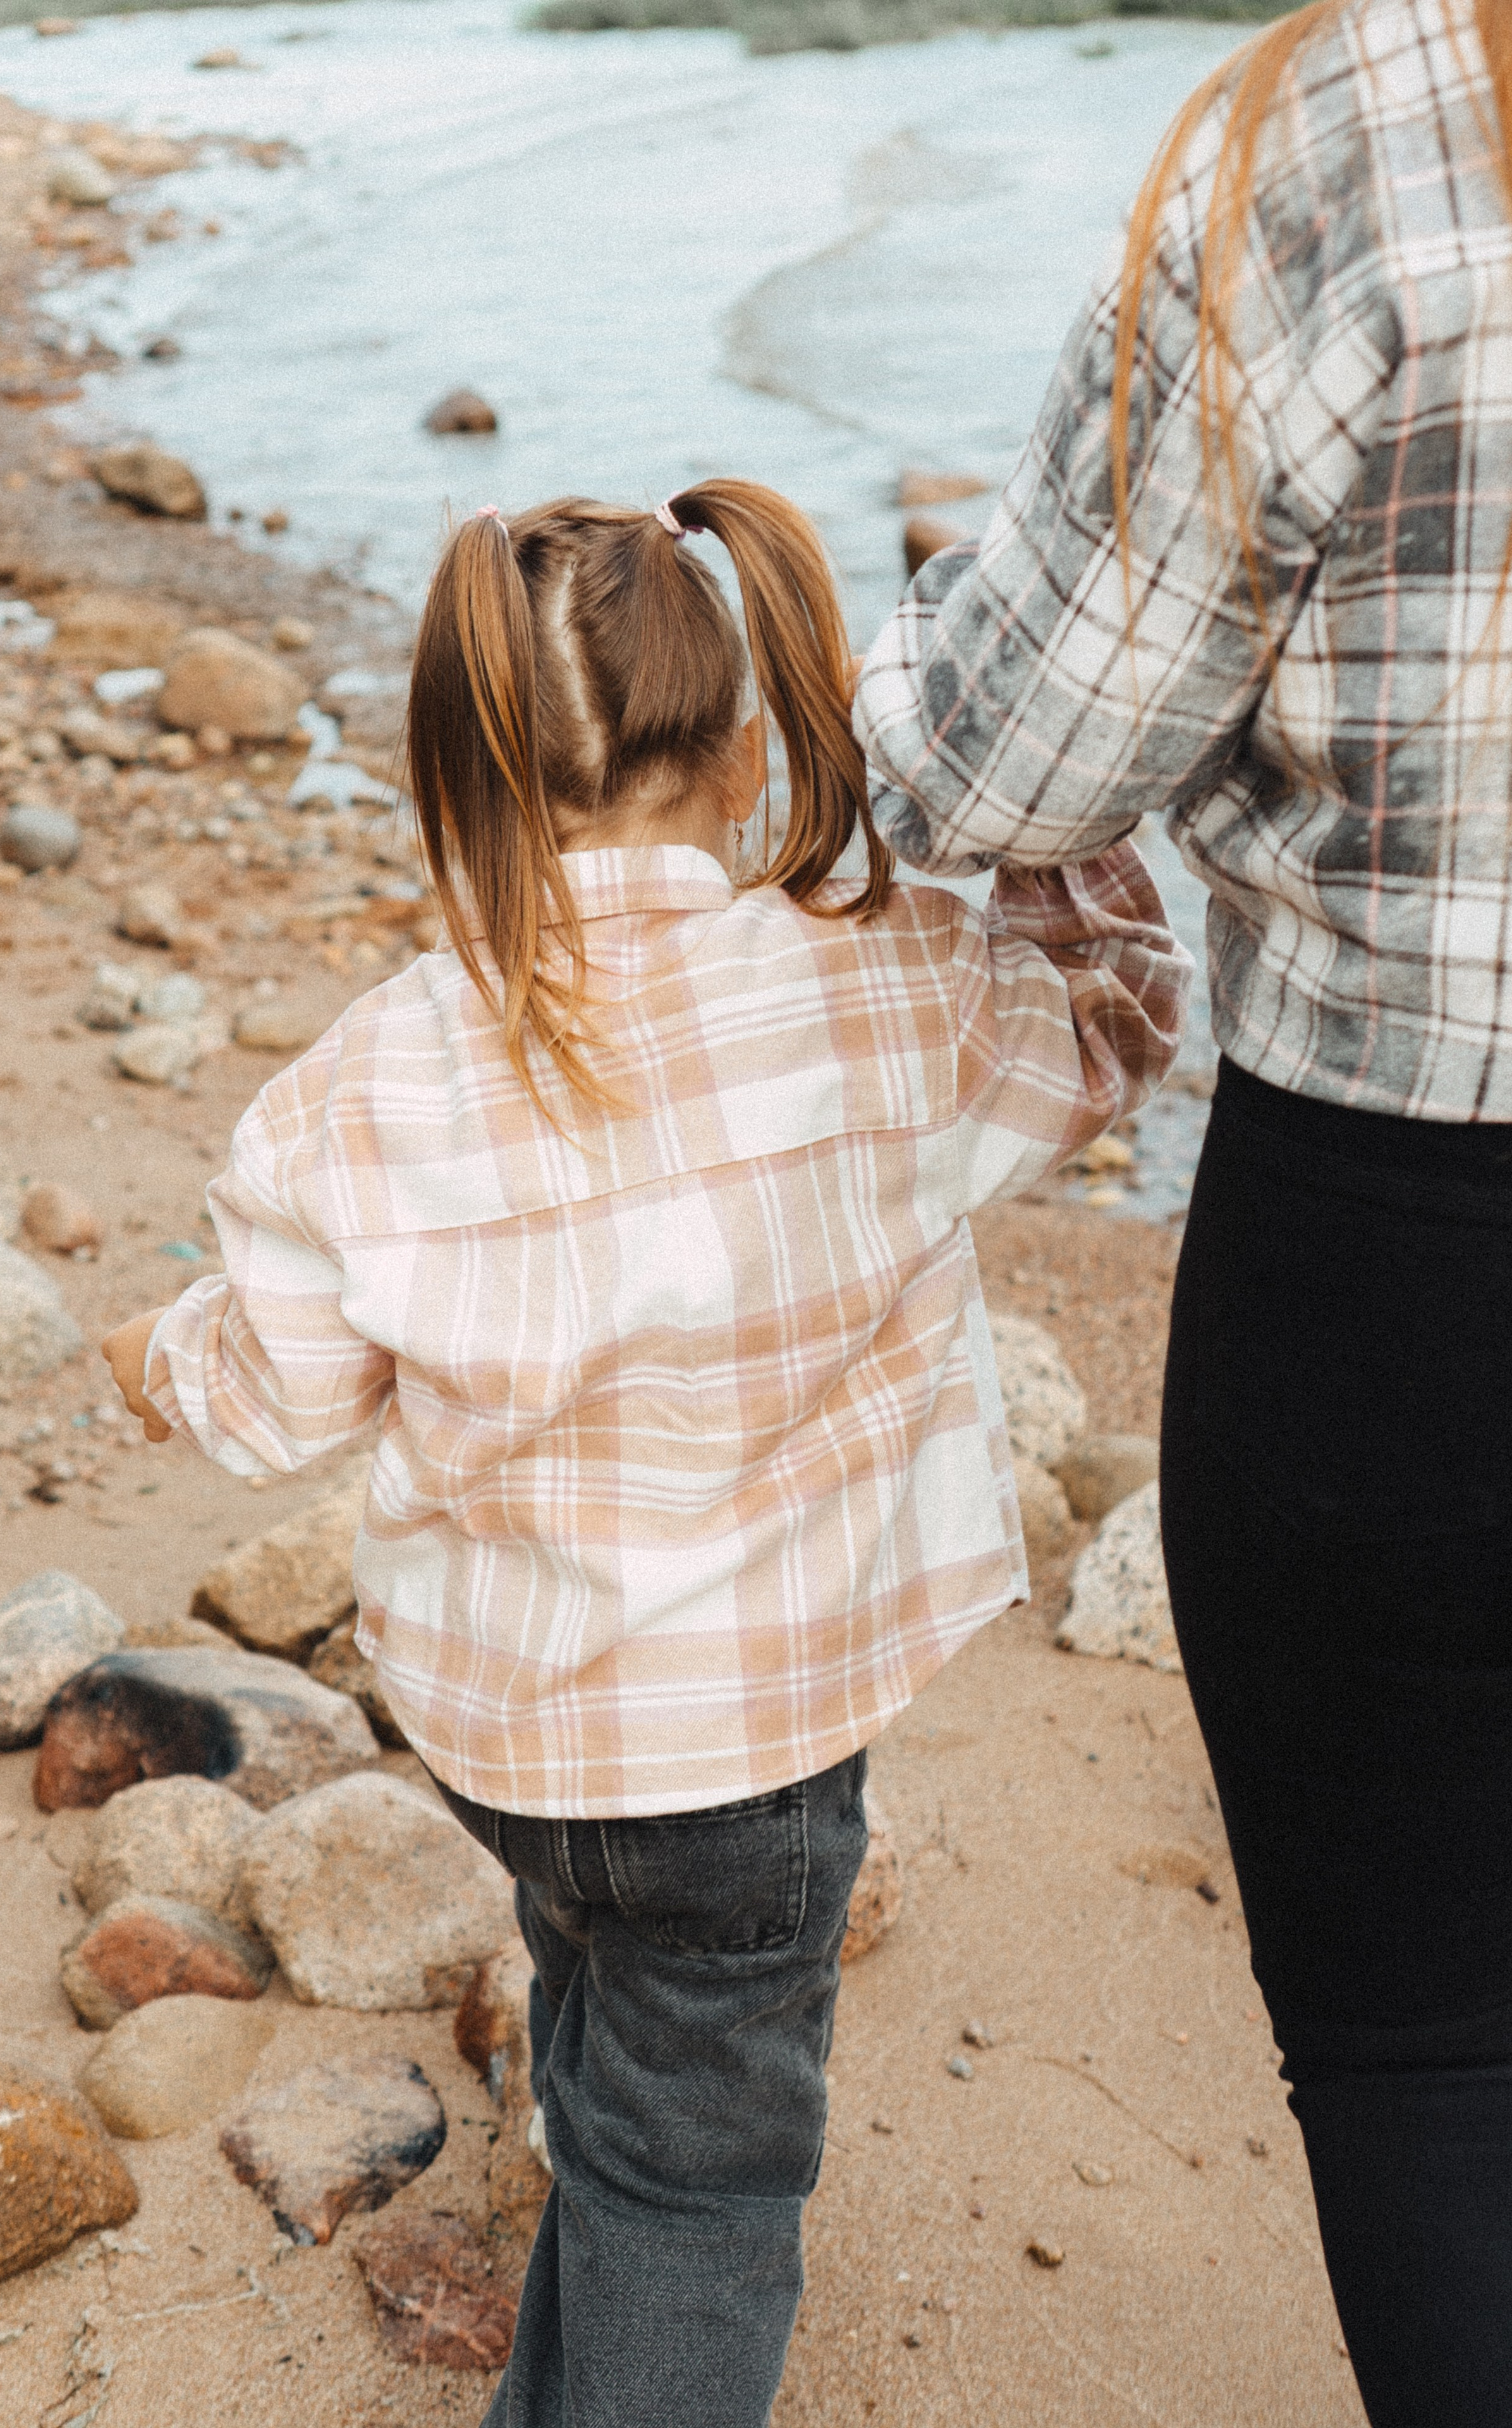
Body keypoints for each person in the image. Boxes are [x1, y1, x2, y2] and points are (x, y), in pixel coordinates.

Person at [102, 479, 1186, 2427]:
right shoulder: (885, 978)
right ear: (753, 745)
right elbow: (1113, 1031)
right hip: (756, 1750)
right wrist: (1033, 836)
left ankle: (589, 2187)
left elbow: (275, 1402)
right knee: (709, 2172)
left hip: (513, 1740)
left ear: (457, 790)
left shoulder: (364, 1085)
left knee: (598, 1951)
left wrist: (156, 1359)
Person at [854, 3, 1512, 2421]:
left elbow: (1026, 746)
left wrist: (850, 692)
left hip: (1423, 1244)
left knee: (1440, 2045)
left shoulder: (1380, 114)